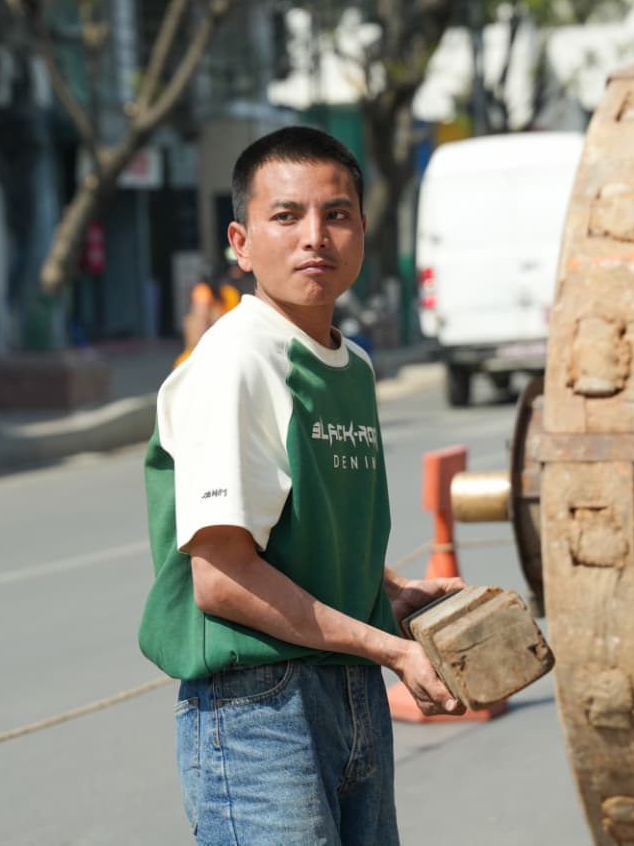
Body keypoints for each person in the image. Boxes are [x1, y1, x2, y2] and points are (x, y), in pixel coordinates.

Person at [138, 126, 465, 845]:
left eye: (336, 214)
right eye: (286, 216)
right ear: (241, 241)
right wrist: (391, 649)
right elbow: (222, 578)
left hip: (349, 690)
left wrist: (387, 597)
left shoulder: (353, 366)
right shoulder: (235, 361)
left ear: (362, 232)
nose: (315, 235)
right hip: (258, 707)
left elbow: (298, 530)